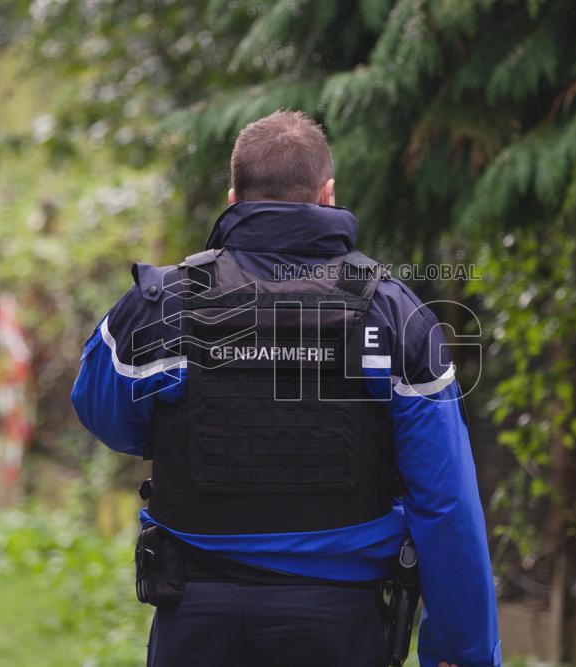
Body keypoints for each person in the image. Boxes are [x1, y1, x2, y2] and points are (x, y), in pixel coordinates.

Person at [71, 110, 500, 667]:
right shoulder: (395, 317)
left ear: (233, 197)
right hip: (338, 624)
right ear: (328, 195)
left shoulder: (165, 305)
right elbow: (446, 502)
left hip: (197, 615)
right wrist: (464, 652)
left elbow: (102, 412)